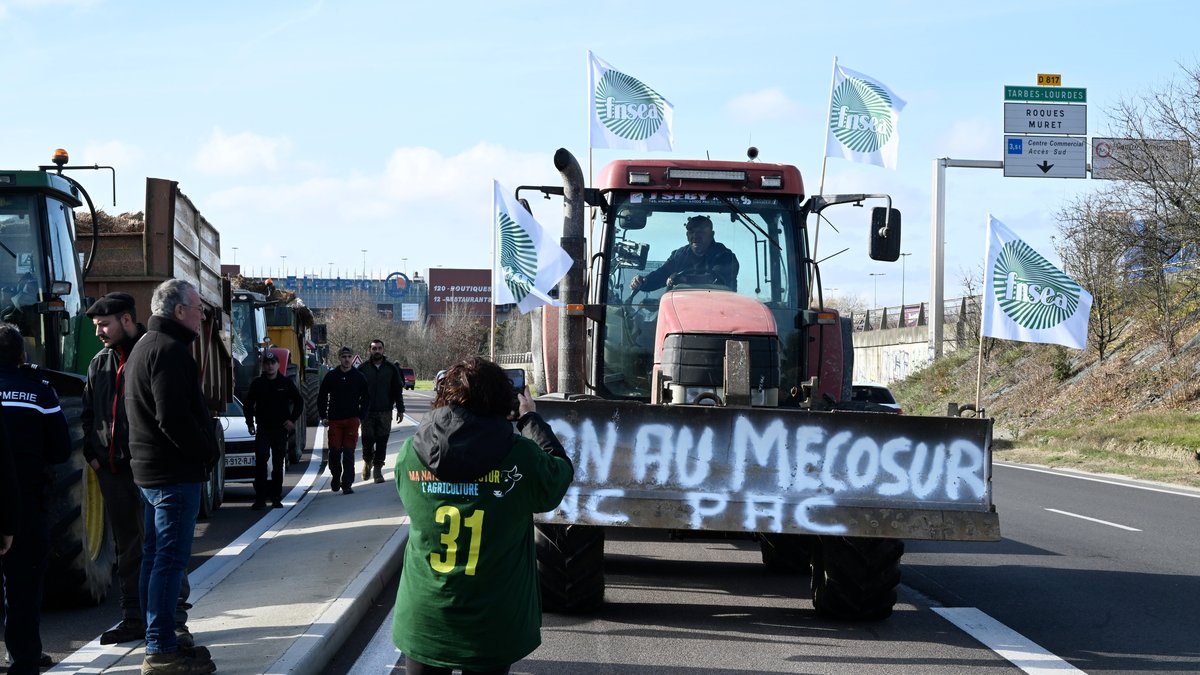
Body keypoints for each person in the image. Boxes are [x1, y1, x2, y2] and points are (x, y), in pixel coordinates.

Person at [392, 356, 574, 674]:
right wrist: (530, 420)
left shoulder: (410, 453)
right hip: (493, 621)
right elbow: (558, 477)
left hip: (425, 617)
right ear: (502, 400)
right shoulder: (521, 456)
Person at [81, 292, 195, 646]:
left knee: (164, 549)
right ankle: (134, 619)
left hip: (150, 471)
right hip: (112, 473)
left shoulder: (150, 354)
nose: (99, 331)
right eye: (97, 325)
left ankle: (173, 622)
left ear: (127, 320)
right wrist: (95, 456)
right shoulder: (98, 364)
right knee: (127, 550)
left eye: (104, 324)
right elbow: (88, 416)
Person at [124, 279, 218, 674]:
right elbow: (173, 419)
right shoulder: (170, 352)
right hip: (172, 477)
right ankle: (161, 650)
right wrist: (207, 452)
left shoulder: (143, 346)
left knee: (155, 559)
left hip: (150, 475)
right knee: (169, 562)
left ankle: (157, 638)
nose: (201, 317)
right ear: (179, 311)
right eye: (198, 309)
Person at [0, 322, 71, 675]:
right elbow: (61, 449)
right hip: (27, 503)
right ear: (22, 356)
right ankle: (24, 660)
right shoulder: (39, 393)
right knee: (24, 586)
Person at [242, 350, 303, 509]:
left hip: (280, 430)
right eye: (267, 364)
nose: (269, 367)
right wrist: (249, 423)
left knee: (278, 463)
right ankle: (260, 498)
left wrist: (292, 420)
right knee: (261, 461)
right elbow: (248, 404)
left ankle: (276, 497)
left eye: (272, 363)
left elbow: (299, 402)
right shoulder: (258, 383)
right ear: (263, 365)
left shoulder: (285, 383)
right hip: (263, 429)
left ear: (278, 365)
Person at [630, 214, 739, 293]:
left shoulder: (725, 256)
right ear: (687, 235)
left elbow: (715, 280)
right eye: (691, 232)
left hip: (719, 311)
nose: (695, 236)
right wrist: (643, 282)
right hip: (679, 309)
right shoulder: (680, 255)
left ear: (711, 234)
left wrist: (683, 280)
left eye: (701, 232)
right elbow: (662, 274)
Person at [318, 346, 368, 494]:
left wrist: (361, 416)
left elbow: (366, 398)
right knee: (334, 453)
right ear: (339, 358)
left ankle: (347, 484)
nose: (346, 359)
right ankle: (335, 476)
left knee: (348, 453)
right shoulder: (331, 376)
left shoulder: (359, 377)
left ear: (352, 358)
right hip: (334, 420)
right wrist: (323, 415)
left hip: (352, 420)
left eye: (349, 357)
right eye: (343, 357)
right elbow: (321, 396)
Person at [357, 338, 405, 484]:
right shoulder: (363, 369)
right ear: (370, 350)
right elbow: (355, 391)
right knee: (367, 440)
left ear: (383, 350)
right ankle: (367, 461)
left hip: (385, 411)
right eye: (374, 348)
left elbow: (397, 390)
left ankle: (378, 469)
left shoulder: (391, 369)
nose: (377, 351)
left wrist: (400, 409)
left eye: (379, 348)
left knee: (382, 441)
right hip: (367, 412)